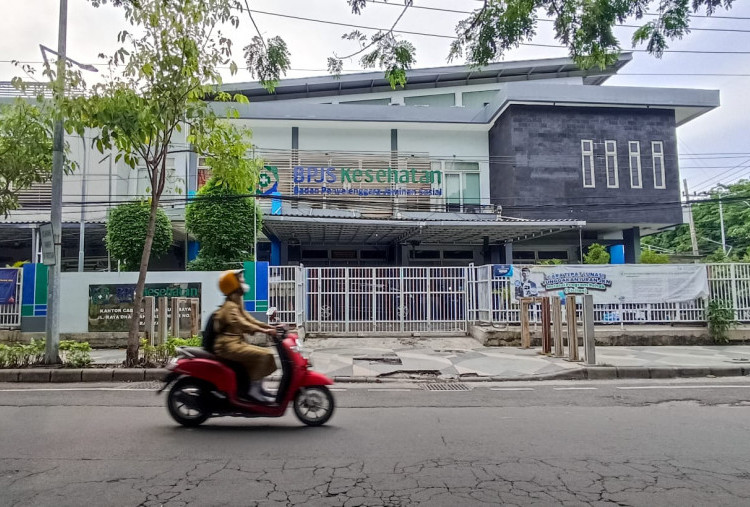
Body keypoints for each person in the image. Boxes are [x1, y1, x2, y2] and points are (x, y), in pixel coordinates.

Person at [213, 269, 278, 403]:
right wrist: (264, 331)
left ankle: (257, 387)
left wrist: (269, 327)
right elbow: (242, 324)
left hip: (236, 343)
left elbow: (250, 319)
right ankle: (252, 391)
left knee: (267, 355)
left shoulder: (236, 304)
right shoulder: (230, 306)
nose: (243, 283)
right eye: (240, 280)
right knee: (265, 355)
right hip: (228, 346)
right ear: (232, 284)